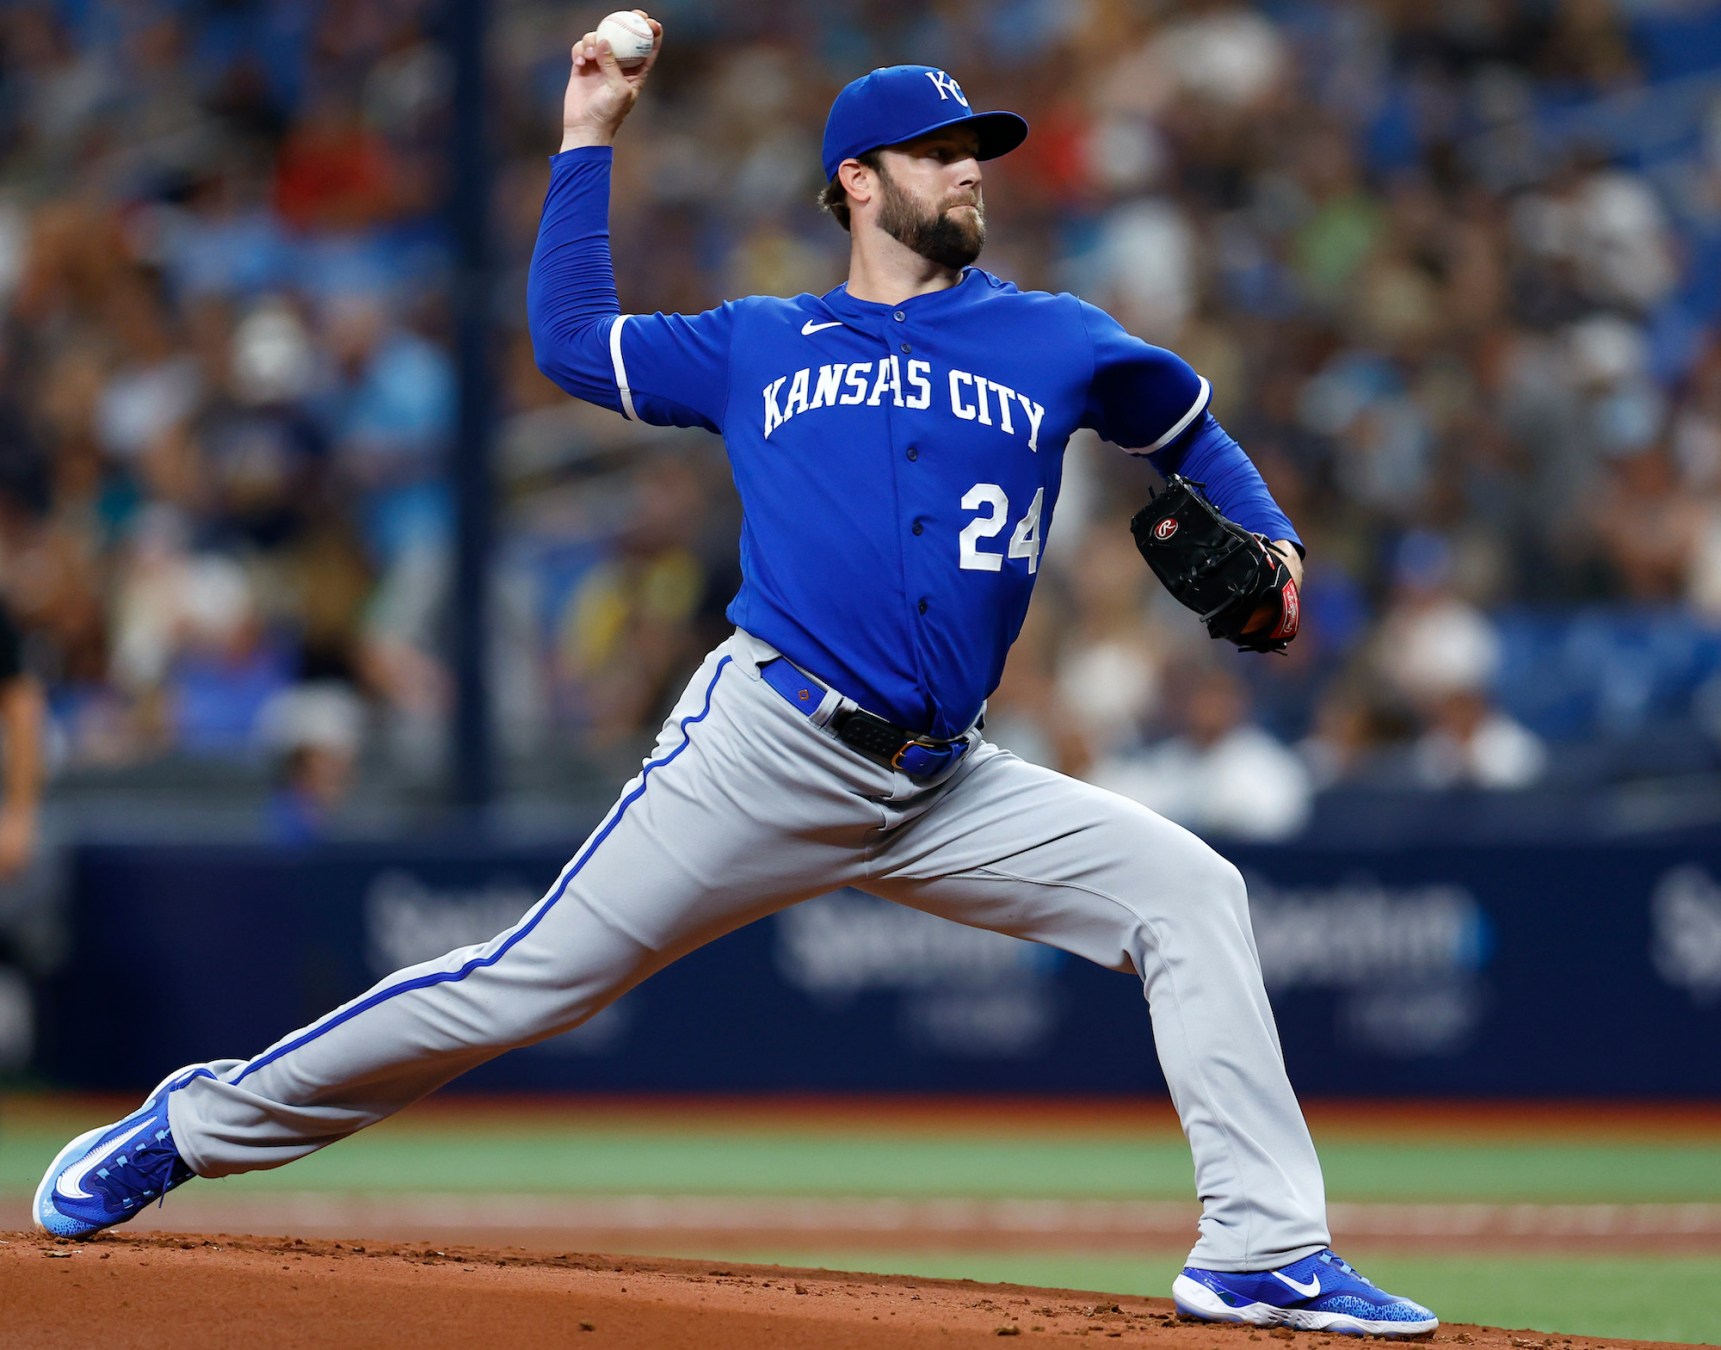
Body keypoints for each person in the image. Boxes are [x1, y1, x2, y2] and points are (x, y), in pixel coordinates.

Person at [37, 16, 1435, 1337]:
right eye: (942, 150)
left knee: (1187, 889)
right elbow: (571, 343)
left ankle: (1258, 1246)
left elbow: (1187, 423)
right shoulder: (761, 338)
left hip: (947, 778)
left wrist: (1276, 541)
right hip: (766, 741)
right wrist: (585, 135)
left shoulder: (1054, 334)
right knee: (524, 985)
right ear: (858, 180)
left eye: (979, 151)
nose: (969, 169)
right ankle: (190, 1124)